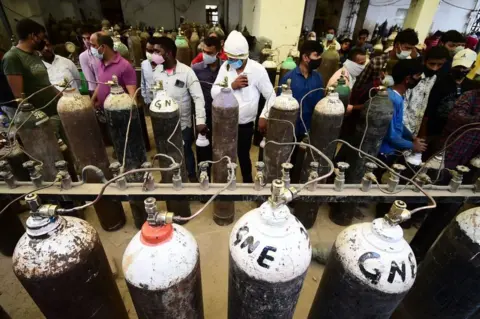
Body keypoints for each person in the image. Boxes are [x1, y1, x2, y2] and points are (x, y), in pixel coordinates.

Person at [211, 30, 275, 183]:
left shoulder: (257, 70)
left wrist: (264, 116)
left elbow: (272, 96)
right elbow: (214, 92)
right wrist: (231, 86)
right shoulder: (226, 68)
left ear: (244, 56)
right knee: (225, 154)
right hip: (226, 123)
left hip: (245, 124)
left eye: (234, 59)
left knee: (243, 155)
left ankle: (247, 181)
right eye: (229, 58)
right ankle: (226, 181)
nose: (231, 61)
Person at [152, 36, 207, 181]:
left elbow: (198, 97)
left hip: (182, 123)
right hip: (162, 122)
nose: (154, 55)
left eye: (157, 51)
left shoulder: (187, 72)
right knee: (165, 151)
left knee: (185, 151)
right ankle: (168, 176)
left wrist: (200, 120)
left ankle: (192, 177)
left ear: (168, 53)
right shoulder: (157, 71)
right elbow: (155, 93)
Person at [260, 40, 324, 139]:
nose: (319, 58)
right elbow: (279, 106)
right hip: (289, 129)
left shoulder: (318, 78)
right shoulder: (289, 78)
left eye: (320, 55)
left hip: (309, 130)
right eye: (316, 55)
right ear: (305, 57)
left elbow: (319, 105)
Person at [423, 48, 478, 152]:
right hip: (434, 131)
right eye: (458, 67)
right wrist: (424, 134)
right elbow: (427, 111)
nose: (461, 70)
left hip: (457, 134)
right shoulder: (438, 81)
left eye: (464, 67)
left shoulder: (472, 87)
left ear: (473, 66)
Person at [2, 18, 60, 116]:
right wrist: (36, 119)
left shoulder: (34, 54)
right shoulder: (13, 57)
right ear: (33, 36)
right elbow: (20, 98)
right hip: (41, 116)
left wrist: (64, 97)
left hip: (54, 110)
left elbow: (45, 83)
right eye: (41, 37)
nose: (43, 41)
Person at [351, 28, 419, 105]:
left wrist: (415, 59)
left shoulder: (406, 67)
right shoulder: (377, 62)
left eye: (411, 49)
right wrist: (377, 83)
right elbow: (359, 87)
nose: (409, 52)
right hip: (371, 106)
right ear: (397, 45)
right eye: (407, 48)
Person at [378, 59, 426, 165]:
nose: (420, 79)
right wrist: (412, 146)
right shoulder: (393, 99)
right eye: (418, 76)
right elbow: (391, 135)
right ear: (408, 78)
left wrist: (412, 136)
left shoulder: (396, 95)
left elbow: (397, 123)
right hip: (384, 152)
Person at [402, 46, 449, 137]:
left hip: (415, 129)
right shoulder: (412, 77)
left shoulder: (435, 79)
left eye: (439, 65)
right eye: (432, 64)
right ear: (424, 60)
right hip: (400, 127)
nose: (435, 68)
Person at [91, 33, 137, 108]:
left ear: (103, 47)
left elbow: (132, 95)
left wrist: (132, 113)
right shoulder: (100, 63)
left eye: (94, 46)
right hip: (103, 110)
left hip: (119, 111)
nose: (91, 49)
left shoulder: (125, 66)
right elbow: (100, 83)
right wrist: (92, 100)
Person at [441, 89, 480, 169]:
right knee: (441, 175)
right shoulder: (470, 96)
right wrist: (476, 118)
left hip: (473, 157)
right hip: (453, 150)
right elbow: (455, 116)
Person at [192, 36, 222, 138]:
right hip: (204, 112)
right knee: (204, 141)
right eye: (204, 52)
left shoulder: (226, 69)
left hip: (221, 112)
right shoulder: (196, 69)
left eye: (209, 53)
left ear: (218, 52)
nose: (205, 55)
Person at [141, 37, 163, 105]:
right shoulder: (144, 64)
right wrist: (145, 98)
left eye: (151, 51)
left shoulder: (163, 66)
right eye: (147, 50)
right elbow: (143, 83)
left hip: (162, 102)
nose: (148, 53)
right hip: (149, 102)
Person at [78, 25, 99, 96]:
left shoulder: (106, 50)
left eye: (88, 38)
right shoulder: (83, 56)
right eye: (84, 39)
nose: (86, 41)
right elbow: (91, 82)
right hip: (99, 92)